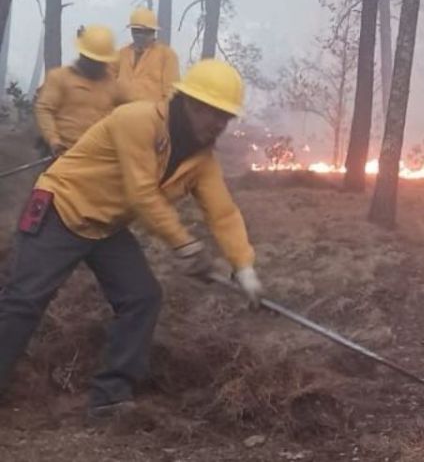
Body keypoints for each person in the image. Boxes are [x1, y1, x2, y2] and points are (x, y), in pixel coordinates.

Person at [0, 59, 264, 418]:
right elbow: (141, 194)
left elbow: (223, 212)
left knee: (142, 297)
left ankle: (110, 396)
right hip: (60, 207)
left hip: (104, 226)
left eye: (226, 117)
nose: (221, 124)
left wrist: (243, 266)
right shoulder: (138, 121)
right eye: (214, 113)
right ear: (190, 103)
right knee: (24, 301)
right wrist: (185, 245)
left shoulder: (201, 161)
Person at [34, 25, 122, 155]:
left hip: (95, 154)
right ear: (83, 56)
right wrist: (54, 141)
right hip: (62, 151)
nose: (97, 65)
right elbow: (44, 109)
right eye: (93, 60)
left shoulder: (112, 84)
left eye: (101, 61)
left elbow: (128, 108)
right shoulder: (59, 77)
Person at [114, 6, 180, 103]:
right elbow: (107, 82)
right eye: (136, 31)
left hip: (152, 114)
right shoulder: (121, 54)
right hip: (122, 112)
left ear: (153, 32)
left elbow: (171, 92)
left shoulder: (167, 55)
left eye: (145, 32)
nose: (140, 35)